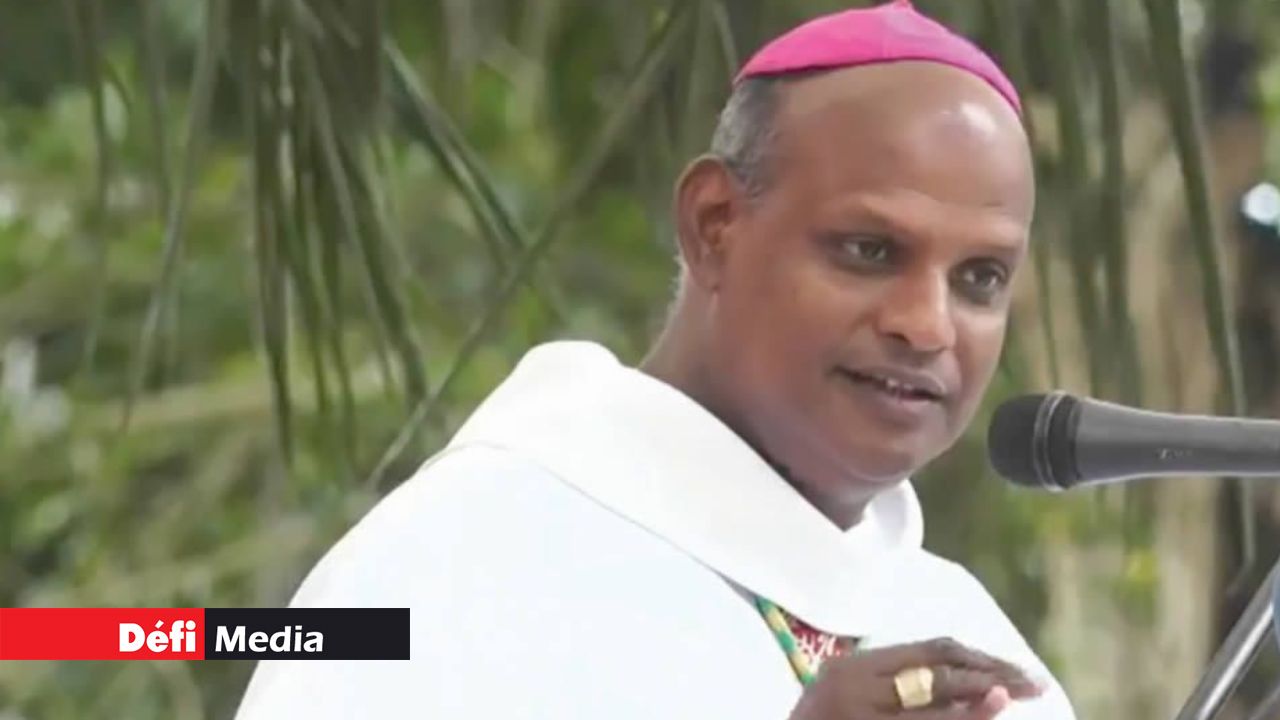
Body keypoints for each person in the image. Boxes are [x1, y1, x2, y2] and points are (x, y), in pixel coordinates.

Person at [235, 2, 1077, 718]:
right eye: (869, 250)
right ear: (715, 225)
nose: (927, 326)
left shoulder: (975, 645)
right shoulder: (446, 566)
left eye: (980, 278)